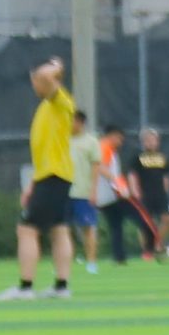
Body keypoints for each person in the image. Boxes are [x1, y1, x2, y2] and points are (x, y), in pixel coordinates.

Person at [0, 59, 77, 300]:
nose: (34, 84)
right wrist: (33, 184)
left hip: (54, 176)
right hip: (50, 176)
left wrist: (55, 66)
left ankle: (25, 288)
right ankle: (61, 287)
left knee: (27, 229)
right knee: (58, 229)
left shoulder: (59, 100)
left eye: (35, 80)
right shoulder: (45, 106)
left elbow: (46, 75)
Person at [124, 127, 169, 259]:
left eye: (153, 140)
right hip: (144, 195)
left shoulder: (163, 158)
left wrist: (166, 190)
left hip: (160, 195)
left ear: (158, 141)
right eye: (147, 140)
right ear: (143, 142)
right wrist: (134, 190)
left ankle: (156, 242)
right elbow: (132, 175)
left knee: (168, 220)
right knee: (146, 224)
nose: (150, 142)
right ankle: (147, 251)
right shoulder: (138, 158)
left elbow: (166, 176)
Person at [96, 126, 140, 266]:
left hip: (109, 195)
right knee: (139, 217)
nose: (121, 142)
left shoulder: (108, 149)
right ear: (112, 135)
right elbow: (101, 167)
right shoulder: (105, 147)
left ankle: (119, 256)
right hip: (111, 195)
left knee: (116, 225)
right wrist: (119, 185)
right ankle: (152, 246)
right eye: (119, 138)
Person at [69, 111, 103, 275]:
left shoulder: (91, 142)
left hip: (83, 192)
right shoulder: (61, 140)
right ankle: (65, 263)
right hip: (63, 192)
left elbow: (96, 167)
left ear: (80, 122)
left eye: (72, 121)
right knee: (62, 229)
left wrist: (93, 191)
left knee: (88, 228)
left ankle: (91, 262)